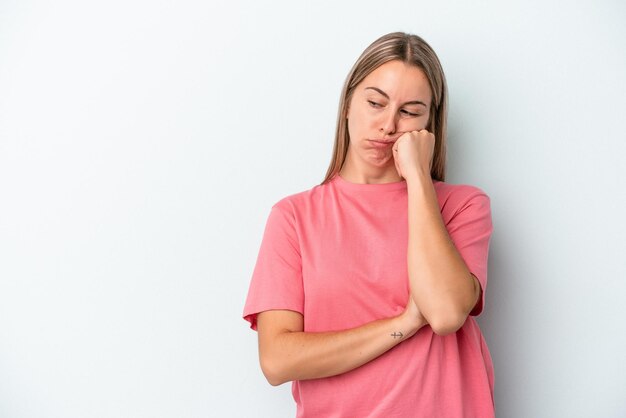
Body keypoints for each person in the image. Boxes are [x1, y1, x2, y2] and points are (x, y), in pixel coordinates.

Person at [243, 32, 495, 418]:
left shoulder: (462, 206)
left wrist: (417, 177)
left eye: (410, 111)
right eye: (375, 103)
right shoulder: (294, 217)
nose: (388, 124)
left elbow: (445, 315)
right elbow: (277, 360)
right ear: (347, 105)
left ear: (430, 124)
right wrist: (406, 322)